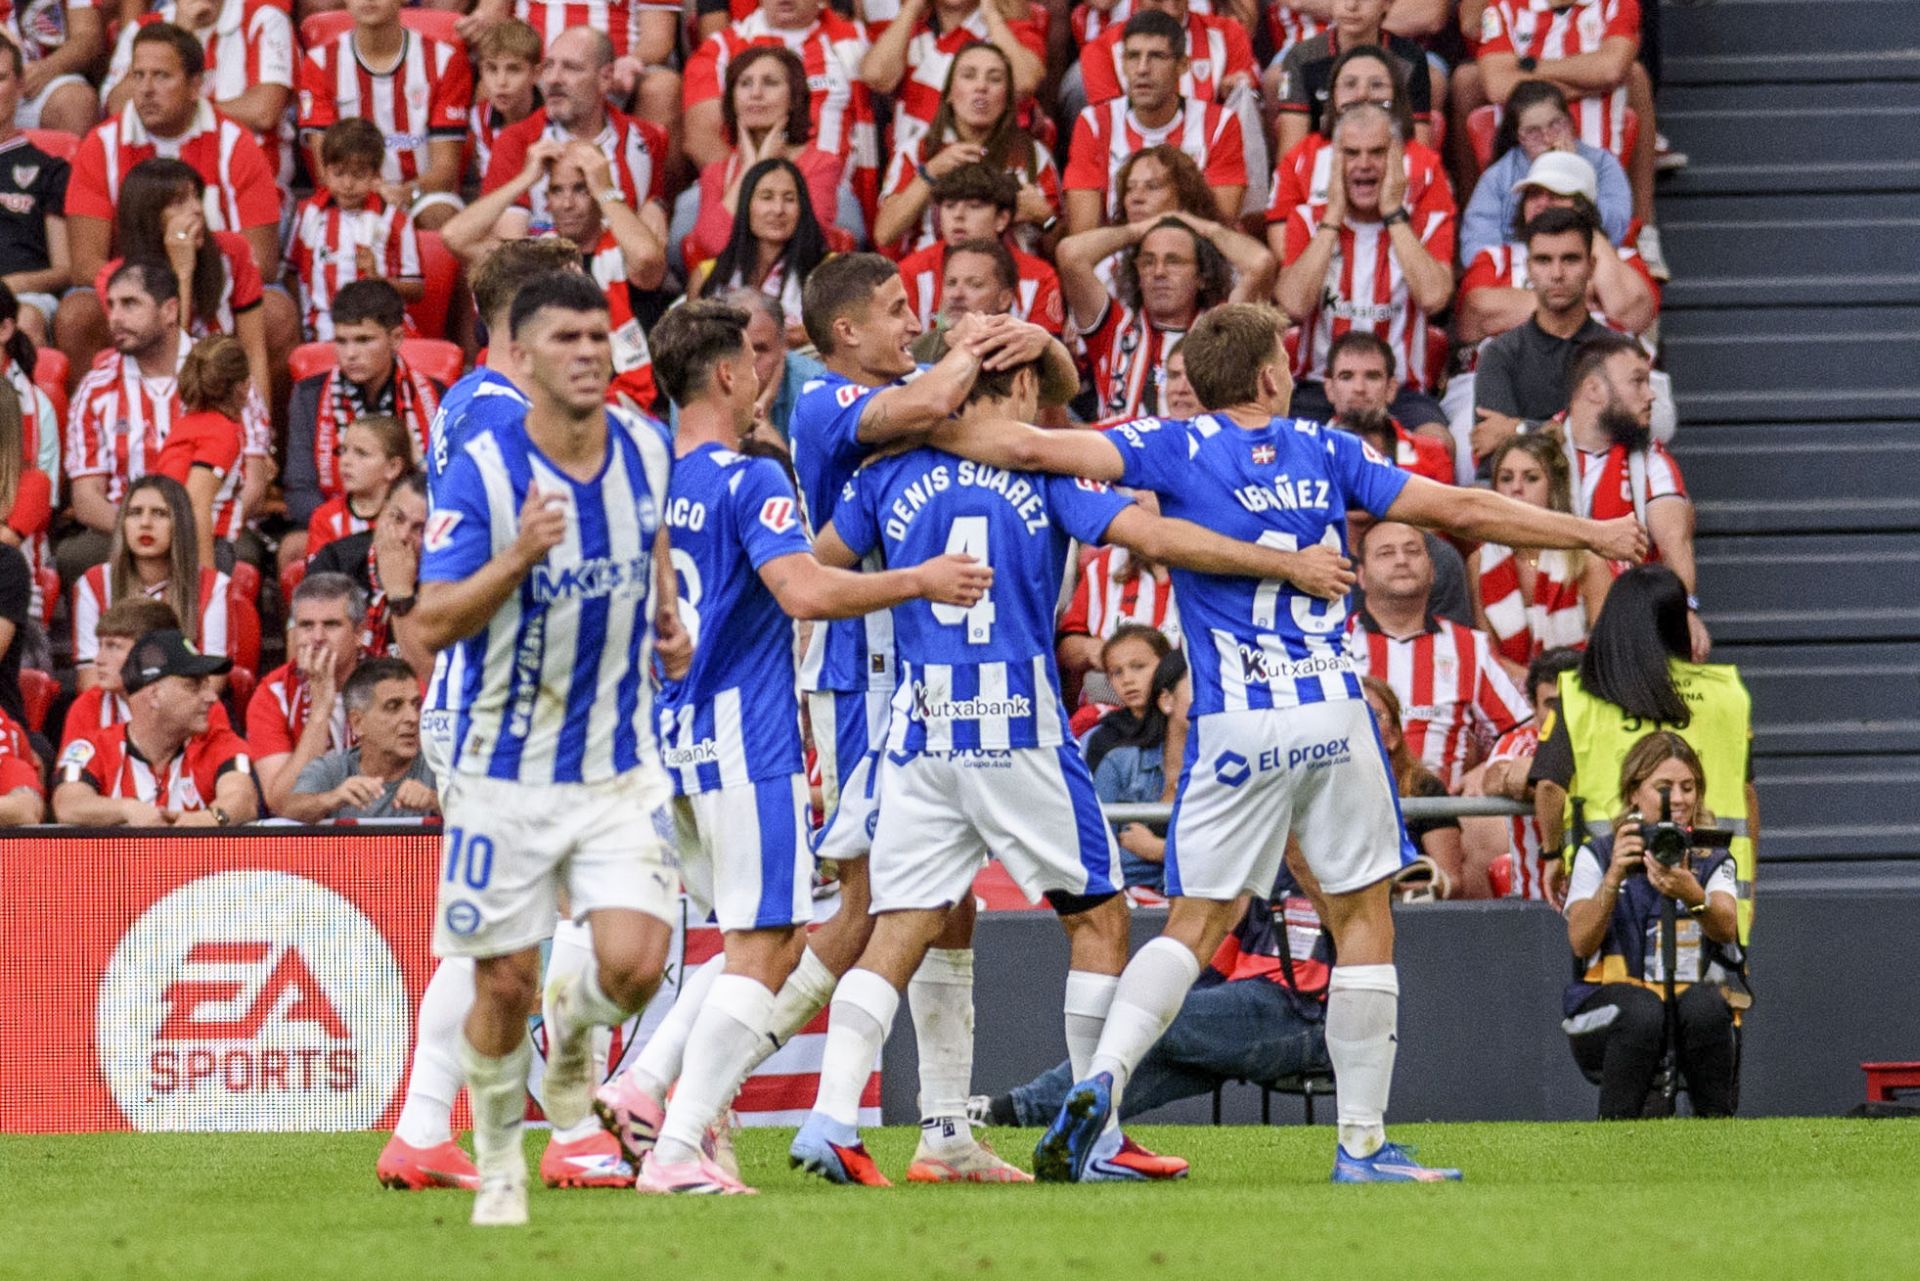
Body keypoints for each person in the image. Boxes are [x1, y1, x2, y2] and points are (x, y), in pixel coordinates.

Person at [938, 301, 1644, 1182]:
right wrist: (1594, 533)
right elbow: (1462, 506)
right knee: (1362, 918)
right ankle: (1360, 1144)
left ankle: (1104, 1082)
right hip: (1332, 713)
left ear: (1202, 380)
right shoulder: (1327, 449)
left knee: (1194, 922)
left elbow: (1031, 447)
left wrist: (939, 397)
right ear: (1273, 376)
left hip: (1232, 719)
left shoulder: (1171, 442)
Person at [786, 345, 1361, 1187]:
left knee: (901, 923)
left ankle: (833, 1116)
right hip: (1020, 727)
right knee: (1098, 918)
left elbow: (812, 567)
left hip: (921, 730)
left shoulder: (886, 476)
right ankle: (1097, 1131)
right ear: (1016, 387)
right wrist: (1284, 562)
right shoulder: (1050, 476)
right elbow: (1159, 536)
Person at [594, 300, 993, 1194]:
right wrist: (921, 578)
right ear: (729, 375)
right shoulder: (751, 480)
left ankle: (645, 1087)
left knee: (751, 941)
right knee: (767, 939)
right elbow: (804, 591)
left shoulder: (646, 482)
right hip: (750, 738)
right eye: (753, 359)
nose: (765, 373)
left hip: (673, 744)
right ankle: (674, 1146)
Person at [409, 270, 689, 1227]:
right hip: (500, 737)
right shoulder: (490, 447)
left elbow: (644, 529)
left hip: (606, 739)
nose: (585, 354)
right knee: (507, 959)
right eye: (563, 336)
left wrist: (665, 613)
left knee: (635, 958)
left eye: (595, 336)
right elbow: (427, 618)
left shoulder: (640, 444)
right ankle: (561, 1129)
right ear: (519, 347)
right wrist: (521, 554)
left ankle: (463, 1113)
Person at [376, 238, 617, 1200]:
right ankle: (576, 1125)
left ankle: (427, 1129)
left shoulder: (479, 404)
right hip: (506, 704)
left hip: (500, 700)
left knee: (499, 933)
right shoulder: (499, 412)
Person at [981, 860, 1333, 1128]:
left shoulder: (1328, 853)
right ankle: (1014, 1114)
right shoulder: (1258, 867)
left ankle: (1015, 1109)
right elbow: (1220, 957)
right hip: (1252, 1008)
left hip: (1309, 1014)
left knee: (1149, 1019)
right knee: (1146, 1051)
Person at [1531, 564, 1756, 931]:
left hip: (1615, 893)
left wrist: (1552, 853)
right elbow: (1747, 795)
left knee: (1618, 985)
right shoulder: (1726, 694)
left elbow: (1549, 787)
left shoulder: (1580, 694)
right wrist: (1750, 890)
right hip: (1714, 893)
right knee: (1715, 989)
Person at [1562, 731, 1740, 1118]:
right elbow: (1579, 941)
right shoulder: (1600, 854)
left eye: (1688, 787)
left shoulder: (1710, 855)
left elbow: (1727, 927)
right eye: (1664, 787)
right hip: (1608, 1011)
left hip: (1685, 1004)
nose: (1678, 799)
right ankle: (1617, 1135)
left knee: (1710, 1005)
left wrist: (1693, 895)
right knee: (1642, 1011)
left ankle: (1720, 1137)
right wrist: (1613, 879)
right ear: (1634, 793)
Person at [91, 160, 274, 517]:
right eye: (178, 202)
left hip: (227, 395)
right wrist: (183, 272)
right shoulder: (117, 280)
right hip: (163, 393)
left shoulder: (232, 252)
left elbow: (254, 350)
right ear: (148, 214)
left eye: (196, 198)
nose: (195, 210)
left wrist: (264, 440)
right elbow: (171, 351)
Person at [60, 22, 282, 306]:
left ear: (195, 86)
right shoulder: (100, 145)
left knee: (276, 310)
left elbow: (260, 262)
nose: (146, 89)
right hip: (132, 294)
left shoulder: (236, 142)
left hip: (215, 287)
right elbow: (85, 266)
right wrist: (154, 293)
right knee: (78, 309)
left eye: (162, 76)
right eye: (138, 76)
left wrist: (190, 280)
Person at [1276, 101, 1454, 430]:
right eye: (1351, 153)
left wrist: (1393, 213)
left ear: (1399, 159)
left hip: (1400, 390)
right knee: (1284, 446)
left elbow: (1434, 298)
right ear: (1333, 161)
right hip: (1318, 388)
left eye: (1377, 153)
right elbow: (1293, 305)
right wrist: (1331, 217)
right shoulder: (1307, 219)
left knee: (1437, 443)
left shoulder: (1427, 222)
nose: (1364, 165)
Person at [445, 140, 664, 406]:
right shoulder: (533, 256)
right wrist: (526, 178)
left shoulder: (623, 248)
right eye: (556, 191)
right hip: (538, 399)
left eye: (580, 189)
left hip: (621, 404)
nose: (567, 203)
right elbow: (455, 237)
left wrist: (605, 188)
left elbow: (647, 258)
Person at [1477, 0, 1665, 275]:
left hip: (1598, 176)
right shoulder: (1502, 7)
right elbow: (1496, 85)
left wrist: (1528, 67)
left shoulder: (1616, 3)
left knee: (1635, 75)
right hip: (1520, 178)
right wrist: (1588, 82)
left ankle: (1644, 233)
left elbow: (1611, 69)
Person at [1466, 194, 1646, 472]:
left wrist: (1520, 427)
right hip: (1523, 504)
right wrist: (1577, 431)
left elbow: (1626, 437)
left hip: (1602, 501)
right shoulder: (1500, 354)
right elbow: (1495, 452)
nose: (1557, 273)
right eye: (1543, 260)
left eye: (1570, 259)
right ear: (1529, 269)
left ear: (1592, 268)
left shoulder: (1619, 352)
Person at [1350, 519, 1531, 793]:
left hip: (1445, 818)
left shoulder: (1470, 646)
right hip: (1354, 810)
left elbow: (1522, 729)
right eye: (1386, 553)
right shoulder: (1332, 642)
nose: (1401, 560)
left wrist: (1490, 766)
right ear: (1361, 576)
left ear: (1433, 571)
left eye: (1413, 551)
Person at [1551, 334, 1704, 656]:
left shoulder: (1652, 459)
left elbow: (1674, 541)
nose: (1650, 396)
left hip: (1629, 623)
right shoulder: (1539, 453)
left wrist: (1686, 610)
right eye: (1638, 382)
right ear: (1593, 389)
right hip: (1551, 612)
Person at [1057, 211, 1271, 422]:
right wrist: (1137, 230)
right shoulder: (1115, 328)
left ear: (1202, 276)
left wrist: (1207, 229)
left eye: (1173, 261)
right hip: (1122, 454)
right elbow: (1070, 255)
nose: (1159, 272)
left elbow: (1260, 263)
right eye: (1148, 262)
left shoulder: (1221, 330)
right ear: (1137, 275)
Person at [680, 0, 876, 219]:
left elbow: (888, 79)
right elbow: (701, 140)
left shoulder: (857, 40)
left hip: (830, 186)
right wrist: (762, 189)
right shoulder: (720, 47)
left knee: (847, 215)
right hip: (736, 184)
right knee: (687, 215)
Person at [481, 26, 671, 251]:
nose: (553, 79)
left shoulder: (645, 139)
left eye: (571, 68)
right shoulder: (516, 141)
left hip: (619, 280)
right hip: (545, 278)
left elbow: (649, 251)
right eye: (549, 66)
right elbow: (511, 251)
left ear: (606, 77)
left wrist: (658, 204)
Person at [1062, 10, 1245, 234]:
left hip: (1193, 256)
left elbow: (1219, 226)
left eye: (1157, 56)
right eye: (1133, 56)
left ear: (1182, 65)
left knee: (1260, 261)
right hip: (1118, 254)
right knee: (1070, 253)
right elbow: (1083, 232)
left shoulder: (1219, 124)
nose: (1142, 69)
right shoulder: (1094, 123)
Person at [52, 628, 256, 826]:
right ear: (154, 695)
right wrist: (127, 809)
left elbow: (242, 798)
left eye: (206, 684)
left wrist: (210, 819)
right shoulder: (93, 747)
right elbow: (67, 804)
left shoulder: (219, 742)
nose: (212, 697)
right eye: (194, 686)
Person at [872, 39, 1057, 254]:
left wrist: (1044, 216)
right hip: (932, 277)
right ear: (949, 93)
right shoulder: (917, 152)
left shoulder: (1033, 154)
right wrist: (930, 173)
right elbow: (884, 234)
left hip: (1012, 278)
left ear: (1007, 98)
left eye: (995, 79)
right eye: (969, 76)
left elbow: (1059, 247)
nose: (981, 87)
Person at [297, 0, 470, 230]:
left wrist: (405, 192)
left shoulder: (444, 59)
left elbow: (445, 170)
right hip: (348, 192)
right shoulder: (319, 63)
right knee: (318, 223)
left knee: (440, 216)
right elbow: (324, 169)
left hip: (419, 193)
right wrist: (374, 192)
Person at [284, 280, 441, 531]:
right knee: (292, 549)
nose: (350, 354)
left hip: (414, 528)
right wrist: (350, 524)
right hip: (333, 530)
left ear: (396, 338)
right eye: (342, 341)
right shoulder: (308, 396)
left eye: (363, 340)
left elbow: (449, 484)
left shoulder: (438, 395)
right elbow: (300, 489)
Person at [682, 46, 846, 272]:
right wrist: (753, 167)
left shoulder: (821, 164)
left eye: (770, 83)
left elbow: (805, 245)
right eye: (745, 83)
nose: (756, 93)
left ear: (793, 98)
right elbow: (714, 244)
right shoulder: (717, 172)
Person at [1457, 170, 1656, 350]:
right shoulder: (1496, 258)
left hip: (1602, 373)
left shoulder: (1624, 259)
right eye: (1533, 195)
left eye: (1556, 195)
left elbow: (1632, 314)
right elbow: (1475, 316)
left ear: (1583, 206)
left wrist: (1584, 230)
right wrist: (1574, 301)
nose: (1542, 203)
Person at [102, 0, 296, 184]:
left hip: (248, 181)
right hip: (157, 183)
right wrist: (178, 34)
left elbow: (264, 112)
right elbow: (117, 107)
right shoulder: (141, 28)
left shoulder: (263, 19)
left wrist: (175, 108)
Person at [1469, 432, 1611, 674]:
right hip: (1510, 693)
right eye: (1505, 478)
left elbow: (1606, 652)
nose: (1516, 488)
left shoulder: (1587, 560)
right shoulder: (1479, 562)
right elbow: (1486, 655)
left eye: (1531, 478)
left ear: (1555, 487)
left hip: (1580, 687)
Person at [71, 473, 230, 688]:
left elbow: (212, 680)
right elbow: (90, 680)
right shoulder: (94, 583)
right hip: (116, 712)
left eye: (160, 513)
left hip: (184, 711)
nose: (145, 523)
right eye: (135, 513)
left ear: (180, 523)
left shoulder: (213, 586)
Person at [1459, 78, 1631, 264]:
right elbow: (1476, 248)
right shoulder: (1498, 177)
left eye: (1556, 125)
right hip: (1520, 271)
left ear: (1570, 123)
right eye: (1533, 132)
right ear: (1519, 137)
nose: (1548, 138)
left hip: (1585, 264)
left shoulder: (1603, 164)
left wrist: (1574, 173)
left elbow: (1617, 229)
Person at [289, 118, 426, 341]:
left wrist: (378, 279)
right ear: (325, 170)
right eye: (339, 173)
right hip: (320, 327)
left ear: (376, 175)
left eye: (359, 175)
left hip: (379, 325)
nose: (348, 184)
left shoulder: (395, 220)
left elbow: (417, 290)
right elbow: (291, 273)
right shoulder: (307, 214)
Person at [861, 0, 1045, 160]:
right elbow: (877, 77)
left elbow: (1025, 82)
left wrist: (991, 15)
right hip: (914, 174)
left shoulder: (1008, 30)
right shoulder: (908, 29)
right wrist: (911, 7)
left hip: (986, 176)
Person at [248, 571, 365, 816]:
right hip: (303, 837)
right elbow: (282, 804)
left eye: (331, 625)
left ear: (359, 633)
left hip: (381, 826)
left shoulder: (387, 682)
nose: (317, 638)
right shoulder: (273, 694)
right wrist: (321, 709)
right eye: (306, 626)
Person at [895, 165, 1063, 334]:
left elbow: (1048, 354)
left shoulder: (1039, 278)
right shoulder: (911, 272)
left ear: (1001, 219)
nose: (958, 215)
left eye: (974, 206)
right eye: (950, 206)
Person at [1473, 645, 1580, 902]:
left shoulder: (1604, 740)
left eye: (1571, 702)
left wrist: (1539, 776)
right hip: (1534, 901)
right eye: (1552, 704)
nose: (1562, 714)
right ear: (1533, 706)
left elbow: (1530, 780)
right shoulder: (1521, 740)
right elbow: (1495, 777)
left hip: (1598, 903)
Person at [1085, 625, 1186, 891]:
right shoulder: (1107, 747)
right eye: (1116, 673)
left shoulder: (1209, 746)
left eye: (1139, 666)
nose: (1128, 679)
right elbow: (1096, 843)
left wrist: (1160, 851)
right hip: (1127, 889)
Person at [282, 656, 438, 822]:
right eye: (393, 706)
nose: (413, 718)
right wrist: (332, 798)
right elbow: (288, 809)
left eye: (416, 705)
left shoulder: (439, 768)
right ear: (357, 723)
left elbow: (468, 814)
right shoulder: (331, 770)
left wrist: (435, 801)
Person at [690, 158, 831, 338]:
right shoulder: (706, 276)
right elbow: (692, 347)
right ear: (746, 205)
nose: (778, 209)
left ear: (802, 209)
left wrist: (805, 336)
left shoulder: (827, 272)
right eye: (766, 197)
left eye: (789, 199)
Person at [1274, 0, 1434, 155]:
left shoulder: (1410, 60)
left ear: (1387, 3)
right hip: (1321, 170)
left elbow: (1419, 152)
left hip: (1392, 166)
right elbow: (1291, 155)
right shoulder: (1301, 58)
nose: (1351, 5)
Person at [309, 473, 429, 666]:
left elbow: (429, 673)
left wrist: (400, 592)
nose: (403, 535)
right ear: (381, 512)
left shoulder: (444, 581)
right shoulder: (334, 562)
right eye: (397, 518)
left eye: (420, 529)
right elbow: (311, 656)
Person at [0, 42, 75, 343]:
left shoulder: (49, 168)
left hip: (24, 295)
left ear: (20, 85)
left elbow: (66, 269)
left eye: (0, 78)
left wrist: (13, 284)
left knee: (22, 321)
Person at [152, 333, 247, 565]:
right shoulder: (222, 431)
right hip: (204, 543)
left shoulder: (186, 423)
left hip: (169, 542)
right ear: (241, 386)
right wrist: (206, 579)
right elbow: (196, 502)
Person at [1362, 674, 1462, 894]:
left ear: (1395, 736)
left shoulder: (1425, 789)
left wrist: (1398, 890)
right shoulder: (1325, 790)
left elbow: (1452, 883)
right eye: (1356, 715)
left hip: (1413, 915)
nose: (1365, 724)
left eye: (1375, 716)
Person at [61, 597, 207, 747]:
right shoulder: (88, 706)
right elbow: (71, 769)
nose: (98, 659)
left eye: (113, 647)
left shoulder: (201, 702)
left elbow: (228, 762)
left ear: (149, 654)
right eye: (100, 646)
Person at [1324, 331, 1452, 485]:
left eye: (1372, 376)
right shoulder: (1305, 454)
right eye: (1347, 377)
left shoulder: (1432, 454)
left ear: (1391, 389)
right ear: (1330, 389)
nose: (1359, 388)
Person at [302, 415, 414, 566]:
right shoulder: (325, 518)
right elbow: (319, 583)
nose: (346, 461)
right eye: (343, 450)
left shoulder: (411, 518)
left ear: (393, 467)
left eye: (361, 453)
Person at [465, 19, 544, 184]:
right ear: (481, 71)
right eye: (492, 69)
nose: (501, 82)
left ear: (536, 74)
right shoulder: (477, 118)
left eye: (513, 69)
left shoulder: (555, 117)